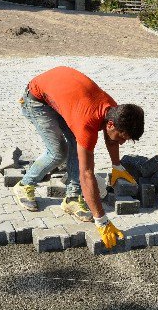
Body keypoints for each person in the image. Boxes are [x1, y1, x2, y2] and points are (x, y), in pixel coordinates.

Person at [13, 66, 144, 249]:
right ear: (111, 124)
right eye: (122, 137)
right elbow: (86, 173)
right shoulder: (87, 124)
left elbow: (111, 139)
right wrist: (102, 221)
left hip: (64, 95)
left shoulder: (114, 110)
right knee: (58, 152)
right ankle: (24, 184)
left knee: (78, 145)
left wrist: (117, 166)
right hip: (37, 100)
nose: (122, 143)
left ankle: (72, 198)